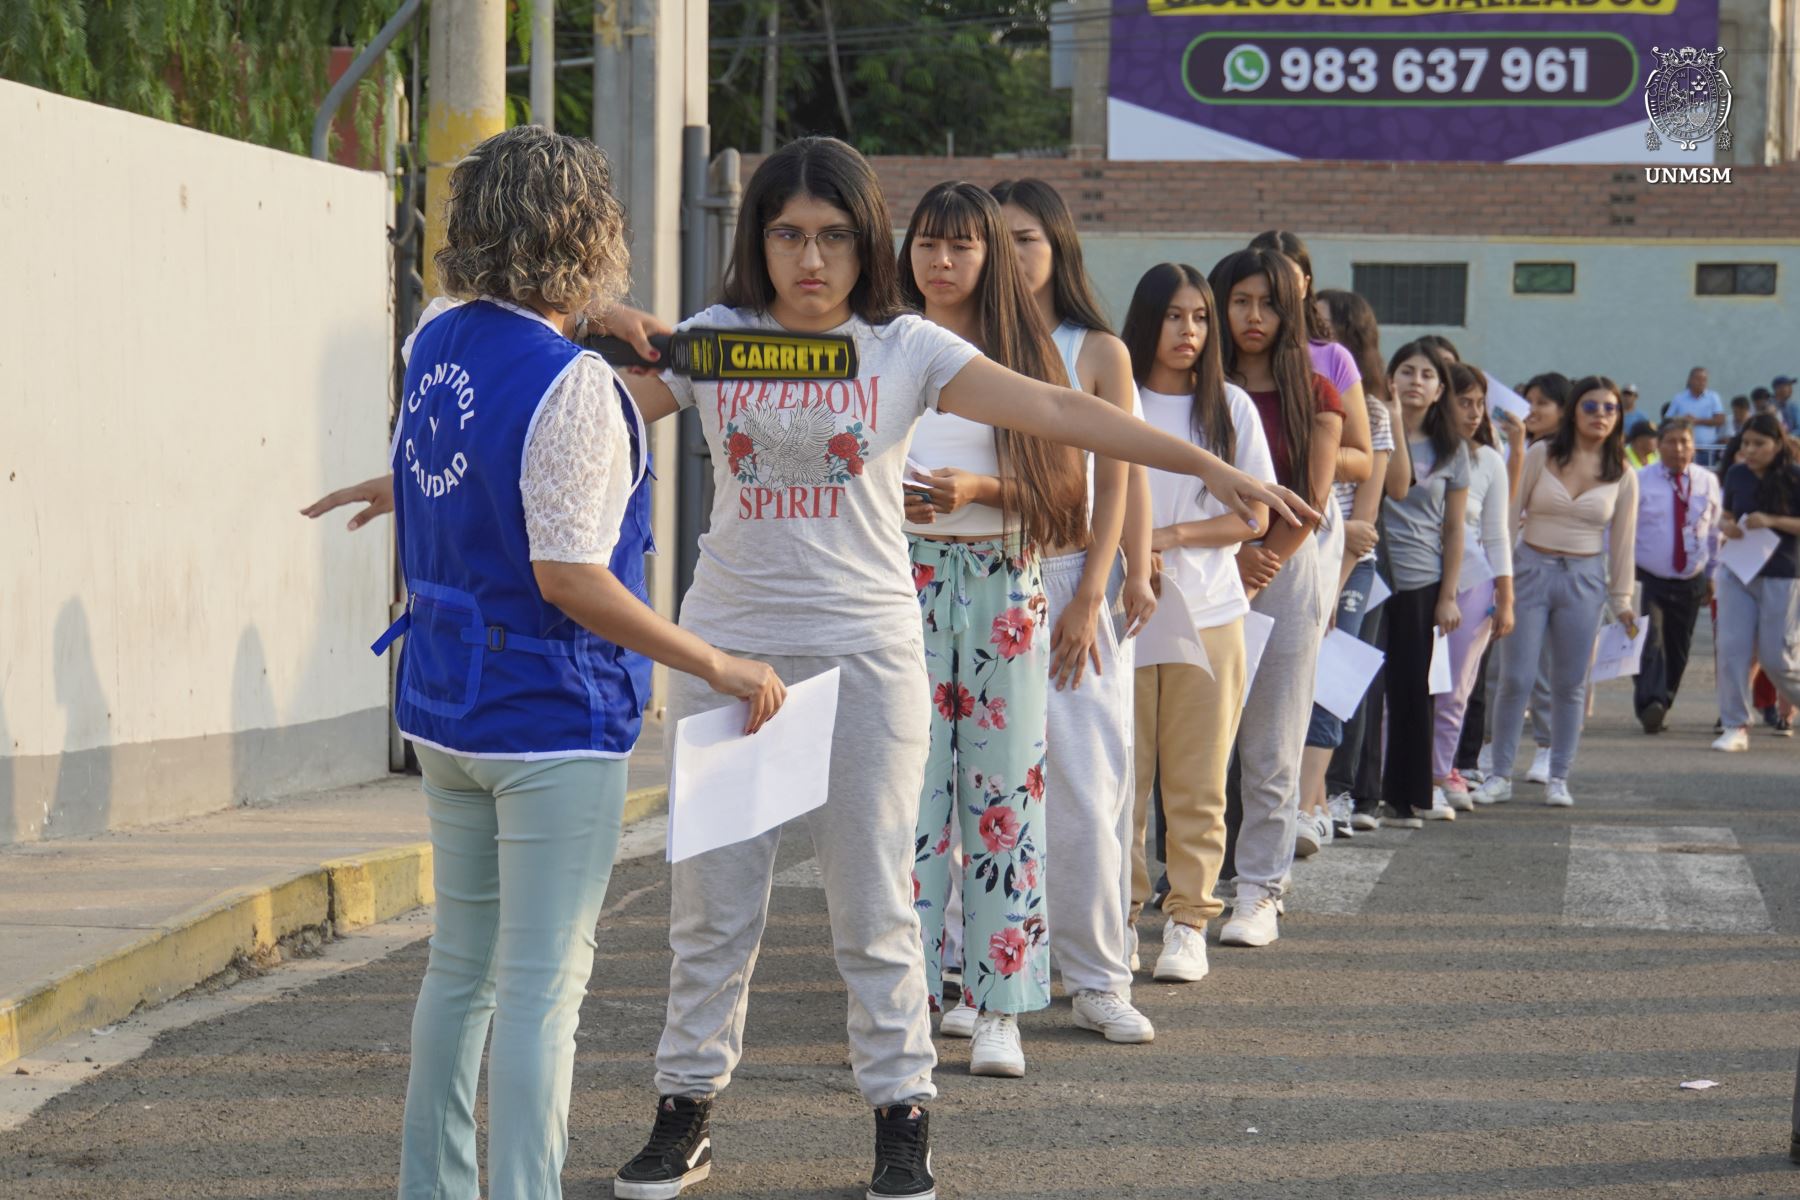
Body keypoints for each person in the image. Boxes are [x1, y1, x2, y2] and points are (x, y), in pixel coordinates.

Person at [606, 136, 1308, 1200]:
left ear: (864, 243)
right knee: (716, 904)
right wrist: (419, 486)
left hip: (869, 649)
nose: (811, 259)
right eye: (789, 234)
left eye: (834, 236)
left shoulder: (903, 351)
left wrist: (1207, 463)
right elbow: (596, 420)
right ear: (759, 240)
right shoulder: (718, 342)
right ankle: (685, 1112)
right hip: (734, 647)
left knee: (876, 899)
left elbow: (1065, 413)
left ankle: (900, 1115)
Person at [303, 126, 787, 1200]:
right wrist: (719, 661)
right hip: (549, 719)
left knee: (459, 973)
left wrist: (600, 316)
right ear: (593, 238)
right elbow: (572, 575)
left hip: (442, 704)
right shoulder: (573, 387)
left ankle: (435, 1188)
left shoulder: (432, 338)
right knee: (540, 990)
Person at [896, 180, 1093, 1077]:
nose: (941, 263)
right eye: (927, 244)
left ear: (991, 259)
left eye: (961, 247)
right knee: (907, 803)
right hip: (897, 579)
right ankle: (908, 999)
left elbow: (1069, 505)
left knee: (1003, 799)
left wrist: (977, 492)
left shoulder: (1026, 359)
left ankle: (1000, 1007)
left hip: (1003, 587)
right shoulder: (884, 344)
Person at [991, 177, 1158, 1044]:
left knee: (1088, 787)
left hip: (1063, 581)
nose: (1012, 255)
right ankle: (978, 976)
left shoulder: (1095, 348)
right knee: (974, 793)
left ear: (1058, 247)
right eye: (998, 238)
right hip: (978, 579)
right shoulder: (953, 342)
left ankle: (1098, 978)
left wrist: (1100, 586)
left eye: (1027, 238)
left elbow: (1119, 471)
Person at [1120, 262, 1273, 982]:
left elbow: (1256, 515)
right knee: (1119, 777)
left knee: (1198, 778)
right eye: (1175, 316)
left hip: (1209, 611)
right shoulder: (1115, 397)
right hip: (1120, 609)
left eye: (1200, 318)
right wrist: (1130, 554)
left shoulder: (1230, 406)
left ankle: (1188, 922)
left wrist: (1170, 538)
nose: (1188, 331)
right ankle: (1117, 916)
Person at [1210, 247, 1343, 946]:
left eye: (1266, 302)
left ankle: (1260, 889)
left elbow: (1314, 498)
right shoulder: (1194, 386)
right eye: (1239, 301)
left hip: (1283, 573)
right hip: (1202, 569)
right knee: (1194, 740)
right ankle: (1187, 885)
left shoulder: (1316, 391)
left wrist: (1260, 562)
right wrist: (1227, 559)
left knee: (1272, 739)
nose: (1252, 316)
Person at [1477, 377, 1639, 807]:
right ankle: (1499, 774)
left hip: (1585, 579)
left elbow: (1623, 542)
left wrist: (1622, 601)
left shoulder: (1623, 470)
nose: (1601, 415)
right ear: (1573, 412)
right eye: (1591, 407)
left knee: (1570, 684)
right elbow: (1509, 516)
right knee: (1516, 677)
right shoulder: (1541, 452)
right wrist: (1498, 578)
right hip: (1530, 569)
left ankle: (1559, 776)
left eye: (1610, 408)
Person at [1316, 289, 1405, 833]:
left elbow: (1365, 524)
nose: (1314, 339)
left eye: (1325, 329)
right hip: (1301, 555)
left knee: (1329, 685)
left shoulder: (1370, 411)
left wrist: (1332, 586)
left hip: (1348, 566)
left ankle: (1318, 800)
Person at [1377, 341, 1467, 826]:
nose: (1415, 380)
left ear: (1439, 390)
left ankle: (1408, 796)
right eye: (1406, 371)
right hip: (1370, 574)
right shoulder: (1375, 430)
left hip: (1422, 580)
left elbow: (1454, 530)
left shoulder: (1452, 450)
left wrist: (1448, 595)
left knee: (1415, 691)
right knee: (1366, 688)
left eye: (1427, 375)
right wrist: (1390, 419)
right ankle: (1360, 796)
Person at [1433, 364, 1515, 809]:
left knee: (1456, 686)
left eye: (1479, 403)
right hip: (1418, 577)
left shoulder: (1489, 461)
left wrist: (1506, 597)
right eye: (1463, 402)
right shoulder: (1423, 451)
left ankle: (1442, 770)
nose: (1473, 412)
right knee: (1404, 683)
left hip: (1473, 584)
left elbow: (1498, 533)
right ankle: (1391, 772)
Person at [1711, 412, 1800, 752]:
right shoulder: (1736, 474)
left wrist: (1774, 520)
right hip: (1737, 571)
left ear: (1778, 445)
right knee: (1732, 649)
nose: (1749, 450)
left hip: (1783, 574)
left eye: (1758, 444)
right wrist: (1725, 525)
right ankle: (1735, 725)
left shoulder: (1794, 477)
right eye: (1745, 443)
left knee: (1777, 660)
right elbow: (1728, 513)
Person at [1632, 418, 1721, 734]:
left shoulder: (1707, 481)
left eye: (1684, 441)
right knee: (1649, 641)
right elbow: (1619, 530)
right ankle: (1649, 704)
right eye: (1670, 441)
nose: (1678, 448)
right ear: (1658, 444)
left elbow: (1713, 532)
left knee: (1678, 648)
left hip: (1691, 576)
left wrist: (1711, 574)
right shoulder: (1639, 480)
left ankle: (1662, 702)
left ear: (1694, 445)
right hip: (1647, 575)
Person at [1664, 366, 1726, 460]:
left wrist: (1697, 421)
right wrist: (1682, 421)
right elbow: (1667, 419)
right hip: (1685, 448)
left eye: (1704, 380)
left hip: (1707, 449)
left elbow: (1720, 420)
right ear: (1690, 380)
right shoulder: (1679, 398)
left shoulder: (1713, 397)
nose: (1701, 383)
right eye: (1698, 379)